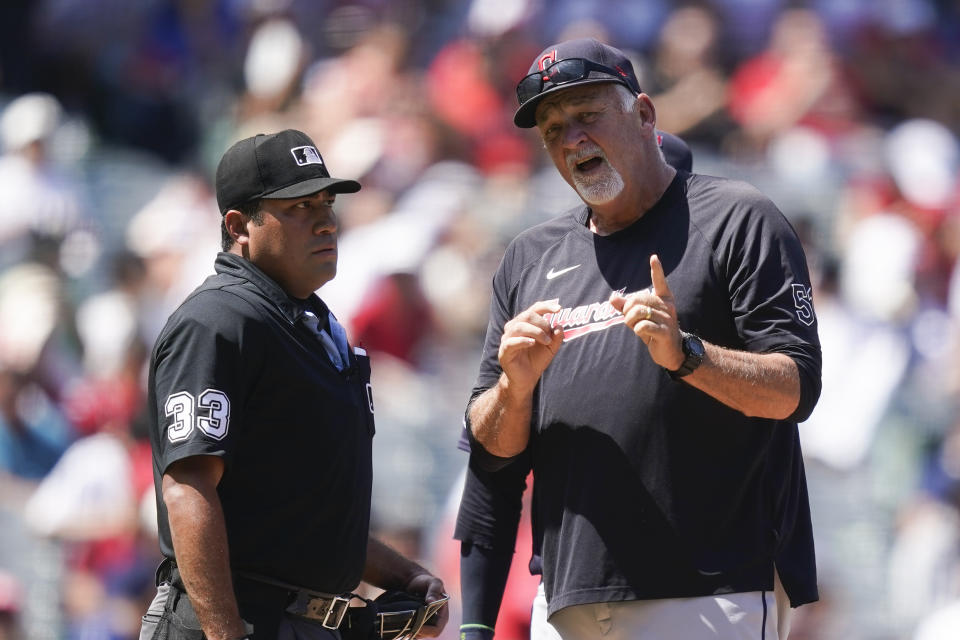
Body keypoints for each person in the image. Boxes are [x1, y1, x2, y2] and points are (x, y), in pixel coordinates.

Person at [460, 38, 821, 640]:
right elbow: (489, 448)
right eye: (552, 130)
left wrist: (687, 356)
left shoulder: (738, 218)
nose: (571, 139)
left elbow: (796, 389)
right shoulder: (528, 257)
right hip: (567, 600)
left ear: (645, 114)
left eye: (587, 116)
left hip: (707, 590)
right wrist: (513, 388)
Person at [141, 129, 448, 640]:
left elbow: (303, 516)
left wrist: (403, 575)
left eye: (327, 202)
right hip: (231, 617)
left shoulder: (313, 325)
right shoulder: (218, 322)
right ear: (240, 226)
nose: (326, 221)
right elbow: (188, 490)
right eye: (300, 206)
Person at [454, 131, 694, 640]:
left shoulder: (714, 263)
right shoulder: (546, 265)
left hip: (695, 590)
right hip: (567, 595)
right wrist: (475, 626)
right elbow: (492, 470)